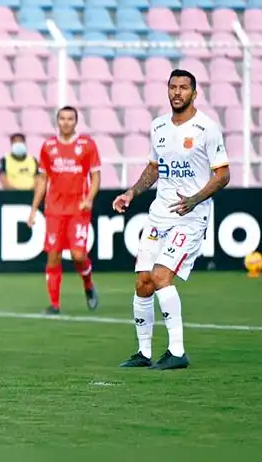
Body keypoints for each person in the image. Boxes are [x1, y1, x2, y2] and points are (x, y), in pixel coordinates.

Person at [114, 69, 230, 370]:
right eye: (173, 87)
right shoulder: (159, 127)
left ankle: (177, 352)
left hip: (190, 218)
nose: (177, 92)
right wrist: (131, 192)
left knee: (161, 276)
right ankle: (143, 353)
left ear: (194, 93)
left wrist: (194, 200)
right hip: (158, 215)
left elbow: (223, 174)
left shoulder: (207, 129)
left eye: (183, 88)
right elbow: (155, 168)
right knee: (142, 283)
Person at [27, 107, 101, 315]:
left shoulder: (87, 145)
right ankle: (54, 305)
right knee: (53, 256)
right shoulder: (48, 147)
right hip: (54, 210)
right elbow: (43, 179)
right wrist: (34, 209)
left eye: (70, 119)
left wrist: (89, 199)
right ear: (57, 121)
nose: (66, 122)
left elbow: (96, 176)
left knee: (78, 255)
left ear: (76, 122)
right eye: (63, 118)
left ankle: (88, 285)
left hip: (78, 208)